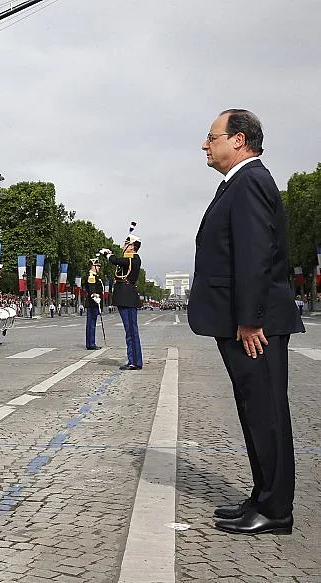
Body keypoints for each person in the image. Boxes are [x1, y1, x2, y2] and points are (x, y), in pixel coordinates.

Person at [189, 109, 304, 535]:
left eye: (211, 136)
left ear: (238, 140)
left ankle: (276, 510)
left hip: (256, 326)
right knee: (254, 411)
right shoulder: (238, 183)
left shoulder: (250, 181)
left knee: (267, 413)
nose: (205, 144)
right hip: (244, 321)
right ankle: (263, 496)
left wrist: (251, 320)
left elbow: (256, 256)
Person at [101, 231, 143, 370]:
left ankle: (135, 361)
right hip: (123, 296)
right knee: (128, 330)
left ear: (131, 247)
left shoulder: (134, 259)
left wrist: (108, 253)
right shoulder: (127, 259)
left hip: (128, 297)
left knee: (131, 331)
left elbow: (115, 260)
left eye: (126, 243)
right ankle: (133, 359)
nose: (123, 245)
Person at [82, 258, 103, 350]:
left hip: (94, 304)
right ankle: (90, 344)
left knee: (92, 324)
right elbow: (92, 291)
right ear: (93, 266)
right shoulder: (91, 276)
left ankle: (91, 342)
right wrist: (96, 296)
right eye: (98, 266)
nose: (99, 268)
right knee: (91, 324)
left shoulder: (95, 276)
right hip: (92, 303)